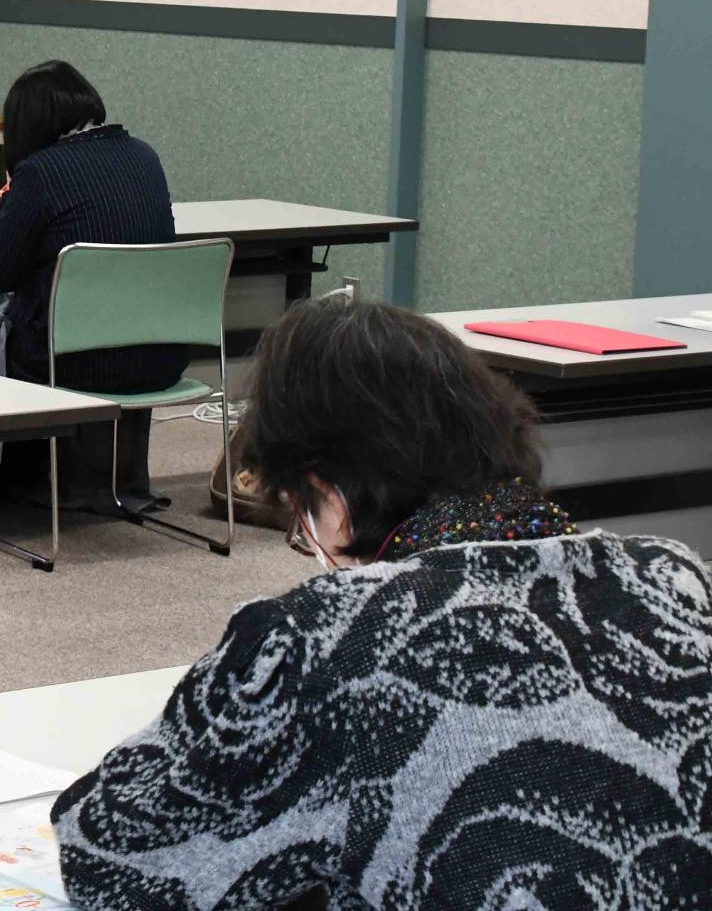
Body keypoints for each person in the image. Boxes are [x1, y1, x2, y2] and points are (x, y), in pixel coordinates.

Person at [52, 297, 712, 910]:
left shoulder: (327, 635)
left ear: (331, 500)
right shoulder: (672, 574)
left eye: (295, 515)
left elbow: (110, 857)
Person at [0, 60, 181, 514]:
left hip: (73, 364)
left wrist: (8, 215)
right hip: (160, 356)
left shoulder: (41, 172)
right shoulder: (144, 155)